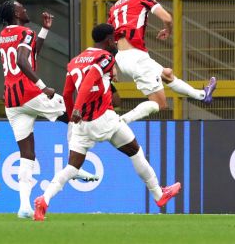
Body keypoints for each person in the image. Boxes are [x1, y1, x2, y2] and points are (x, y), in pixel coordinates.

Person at [32, 23, 182, 221]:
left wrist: (72, 116)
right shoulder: (105, 57)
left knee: (72, 167)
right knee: (134, 150)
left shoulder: (75, 61)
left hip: (81, 124)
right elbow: (89, 80)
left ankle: (44, 199)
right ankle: (158, 193)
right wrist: (78, 107)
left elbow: (68, 92)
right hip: (103, 118)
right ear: (108, 40)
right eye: (115, 38)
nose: (117, 42)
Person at [0, 1, 98, 218]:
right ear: (16, 13)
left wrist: (44, 31)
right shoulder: (25, 31)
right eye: (22, 7)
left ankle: (24, 206)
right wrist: (44, 87)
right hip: (31, 93)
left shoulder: (5, 34)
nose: (25, 9)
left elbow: (31, 55)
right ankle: (74, 167)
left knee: (27, 154)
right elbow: (24, 61)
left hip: (12, 100)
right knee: (75, 116)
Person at [108, 0, 217, 123]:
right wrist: (168, 29)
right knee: (160, 104)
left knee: (166, 74)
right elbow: (167, 18)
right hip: (136, 57)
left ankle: (202, 95)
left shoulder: (115, 6)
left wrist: (112, 66)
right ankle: (120, 121)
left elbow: (109, 38)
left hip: (122, 58)